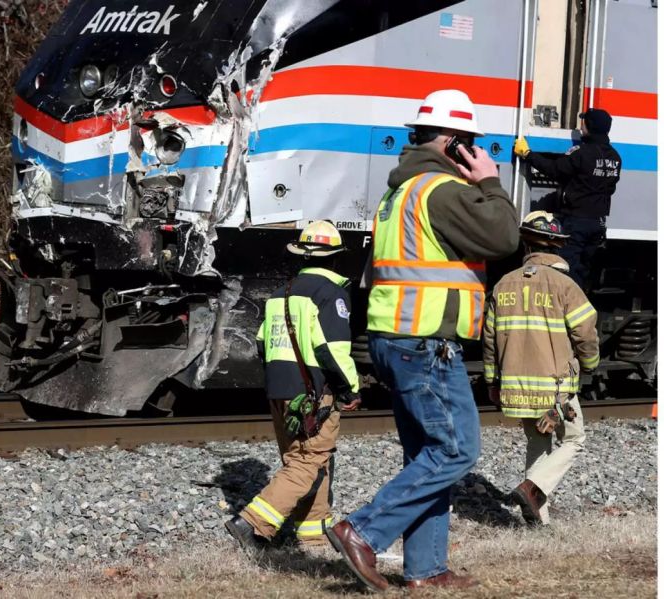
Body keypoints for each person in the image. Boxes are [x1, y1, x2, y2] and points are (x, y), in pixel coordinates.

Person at [326, 89, 519, 591]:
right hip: (426, 340)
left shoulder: (400, 192)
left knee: (427, 456)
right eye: (473, 142)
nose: (479, 153)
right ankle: (362, 530)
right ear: (455, 142)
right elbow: (503, 238)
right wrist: (492, 185)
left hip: (396, 337)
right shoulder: (441, 189)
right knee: (457, 451)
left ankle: (426, 570)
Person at [225, 220, 362, 550]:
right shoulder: (331, 295)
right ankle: (252, 523)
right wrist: (350, 390)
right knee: (307, 463)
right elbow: (332, 350)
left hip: (280, 391)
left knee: (308, 459)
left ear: (301, 256)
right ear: (335, 259)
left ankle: (313, 533)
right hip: (314, 394)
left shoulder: (280, 294)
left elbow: (261, 344)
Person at [483, 211, 599, 526]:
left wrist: (493, 381)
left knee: (538, 441)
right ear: (557, 246)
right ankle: (533, 489)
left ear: (525, 245)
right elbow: (585, 333)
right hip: (556, 387)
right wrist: (589, 365)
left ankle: (538, 518)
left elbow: (490, 339)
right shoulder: (565, 285)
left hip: (517, 385)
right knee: (574, 439)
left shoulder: (503, 284)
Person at [514, 108, 622, 290]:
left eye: (584, 122)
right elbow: (610, 188)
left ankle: (567, 310)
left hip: (576, 221)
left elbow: (555, 169)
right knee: (583, 270)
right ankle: (580, 309)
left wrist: (528, 155)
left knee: (567, 270)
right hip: (598, 224)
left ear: (589, 126)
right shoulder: (615, 158)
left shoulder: (581, 152)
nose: (581, 126)